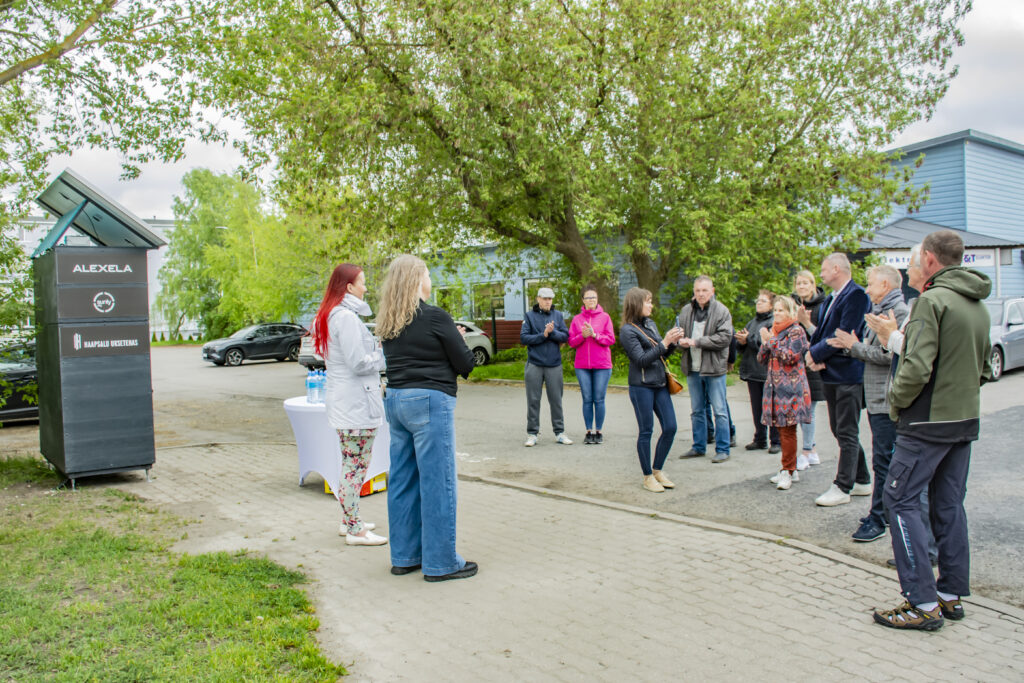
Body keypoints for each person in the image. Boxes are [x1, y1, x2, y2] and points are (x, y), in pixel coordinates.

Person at [872, 230, 992, 630]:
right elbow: (983, 367)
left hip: (926, 421)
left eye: (915, 259)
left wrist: (896, 403)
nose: (911, 266)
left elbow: (918, 368)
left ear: (928, 258)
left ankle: (922, 601)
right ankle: (950, 594)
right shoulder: (976, 305)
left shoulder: (931, 301)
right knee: (948, 504)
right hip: (963, 419)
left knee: (899, 500)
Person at [377, 255, 478, 582]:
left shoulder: (389, 322)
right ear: (418, 278)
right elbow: (465, 365)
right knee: (438, 481)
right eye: (428, 273)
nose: (430, 279)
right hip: (429, 402)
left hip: (396, 401)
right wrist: (459, 339)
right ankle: (441, 562)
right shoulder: (435, 316)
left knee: (402, 479)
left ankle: (404, 557)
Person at [827, 265, 909, 543]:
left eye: (871, 284)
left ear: (885, 285)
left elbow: (890, 354)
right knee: (883, 460)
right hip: (877, 397)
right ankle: (881, 513)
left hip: (886, 399)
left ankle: (879, 519)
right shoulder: (882, 310)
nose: (868, 289)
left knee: (884, 462)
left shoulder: (896, 312)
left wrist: (853, 346)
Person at [311, 263, 389, 546]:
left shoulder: (336, 315)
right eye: (362, 282)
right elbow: (359, 362)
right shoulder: (344, 318)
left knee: (351, 464)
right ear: (349, 287)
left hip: (349, 403)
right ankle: (356, 529)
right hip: (355, 405)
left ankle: (349, 519)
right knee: (355, 468)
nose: (366, 287)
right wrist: (384, 356)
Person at [805, 253, 872, 506]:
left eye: (823, 269)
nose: (820, 274)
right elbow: (823, 332)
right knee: (840, 429)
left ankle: (843, 487)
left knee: (846, 431)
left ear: (836, 269)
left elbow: (841, 335)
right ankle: (863, 480)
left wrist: (813, 353)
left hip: (847, 373)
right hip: (831, 372)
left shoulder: (855, 295)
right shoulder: (831, 297)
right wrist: (814, 354)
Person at [619, 288, 684, 492]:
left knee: (671, 427)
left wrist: (672, 342)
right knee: (646, 431)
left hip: (659, 383)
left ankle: (658, 470)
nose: (651, 305)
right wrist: (664, 342)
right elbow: (641, 360)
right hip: (641, 386)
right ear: (637, 304)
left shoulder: (650, 324)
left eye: (651, 301)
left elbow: (661, 355)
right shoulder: (627, 331)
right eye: (648, 301)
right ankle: (647, 476)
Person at [676, 276, 734, 462]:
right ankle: (698, 446)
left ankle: (723, 449)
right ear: (694, 291)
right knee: (697, 410)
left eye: (704, 290)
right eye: (698, 290)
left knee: (720, 410)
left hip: (714, 368)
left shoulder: (722, 311)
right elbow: (678, 333)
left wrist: (696, 342)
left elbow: (725, 338)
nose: (701, 294)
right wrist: (679, 341)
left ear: (712, 291)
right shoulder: (686, 311)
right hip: (693, 368)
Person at [758, 296, 812, 490]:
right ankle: (791, 468)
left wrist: (771, 341)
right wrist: (766, 342)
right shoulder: (774, 331)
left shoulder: (796, 331)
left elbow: (791, 356)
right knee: (781, 430)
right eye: (775, 311)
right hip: (774, 388)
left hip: (791, 390)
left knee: (788, 431)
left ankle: (787, 470)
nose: (776, 314)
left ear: (790, 312)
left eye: (781, 310)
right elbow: (761, 358)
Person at [521, 287, 572, 446]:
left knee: (556, 400)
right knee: (533, 400)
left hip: (554, 365)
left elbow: (565, 336)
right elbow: (524, 338)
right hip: (534, 364)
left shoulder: (558, 315)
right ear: (538, 299)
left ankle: (559, 432)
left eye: (550, 298)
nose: (548, 301)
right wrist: (543, 335)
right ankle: (532, 433)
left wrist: (552, 332)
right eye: (545, 298)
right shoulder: (529, 316)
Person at [568, 285, 615, 444]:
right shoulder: (577, 319)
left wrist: (595, 335)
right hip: (582, 366)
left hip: (602, 365)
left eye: (593, 297)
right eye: (588, 298)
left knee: (599, 399)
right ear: (583, 300)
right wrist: (582, 336)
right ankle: (588, 431)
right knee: (587, 398)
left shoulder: (605, 317)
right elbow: (572, 342)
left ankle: (599, 431)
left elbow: (610, 339)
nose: (591, 300)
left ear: (597, 299)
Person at [736, 290, 781, 453]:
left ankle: (776, 440)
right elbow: (744, 348)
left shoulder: (773, 321)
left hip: (767, 371)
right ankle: (760, 438)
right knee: (757, 408)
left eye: (763, 300)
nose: (758, 303)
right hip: (752, 371)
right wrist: (741, 341)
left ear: (771, 304)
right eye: (757, 300)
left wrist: (748, 339)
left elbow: (767, 345)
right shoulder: (752, 322)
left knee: (772, 407)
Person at [793, 270, 828, 469]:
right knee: (801, 409)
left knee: (809, 409)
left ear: (813, 284)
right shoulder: (793, 304)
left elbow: (820, 335)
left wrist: (806, 322)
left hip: (813, 362)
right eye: (799, 283)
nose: (802, 287)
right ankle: (812, 448)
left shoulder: (823, 306)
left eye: (806, 283)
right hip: (796, 362)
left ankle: (806, 451)